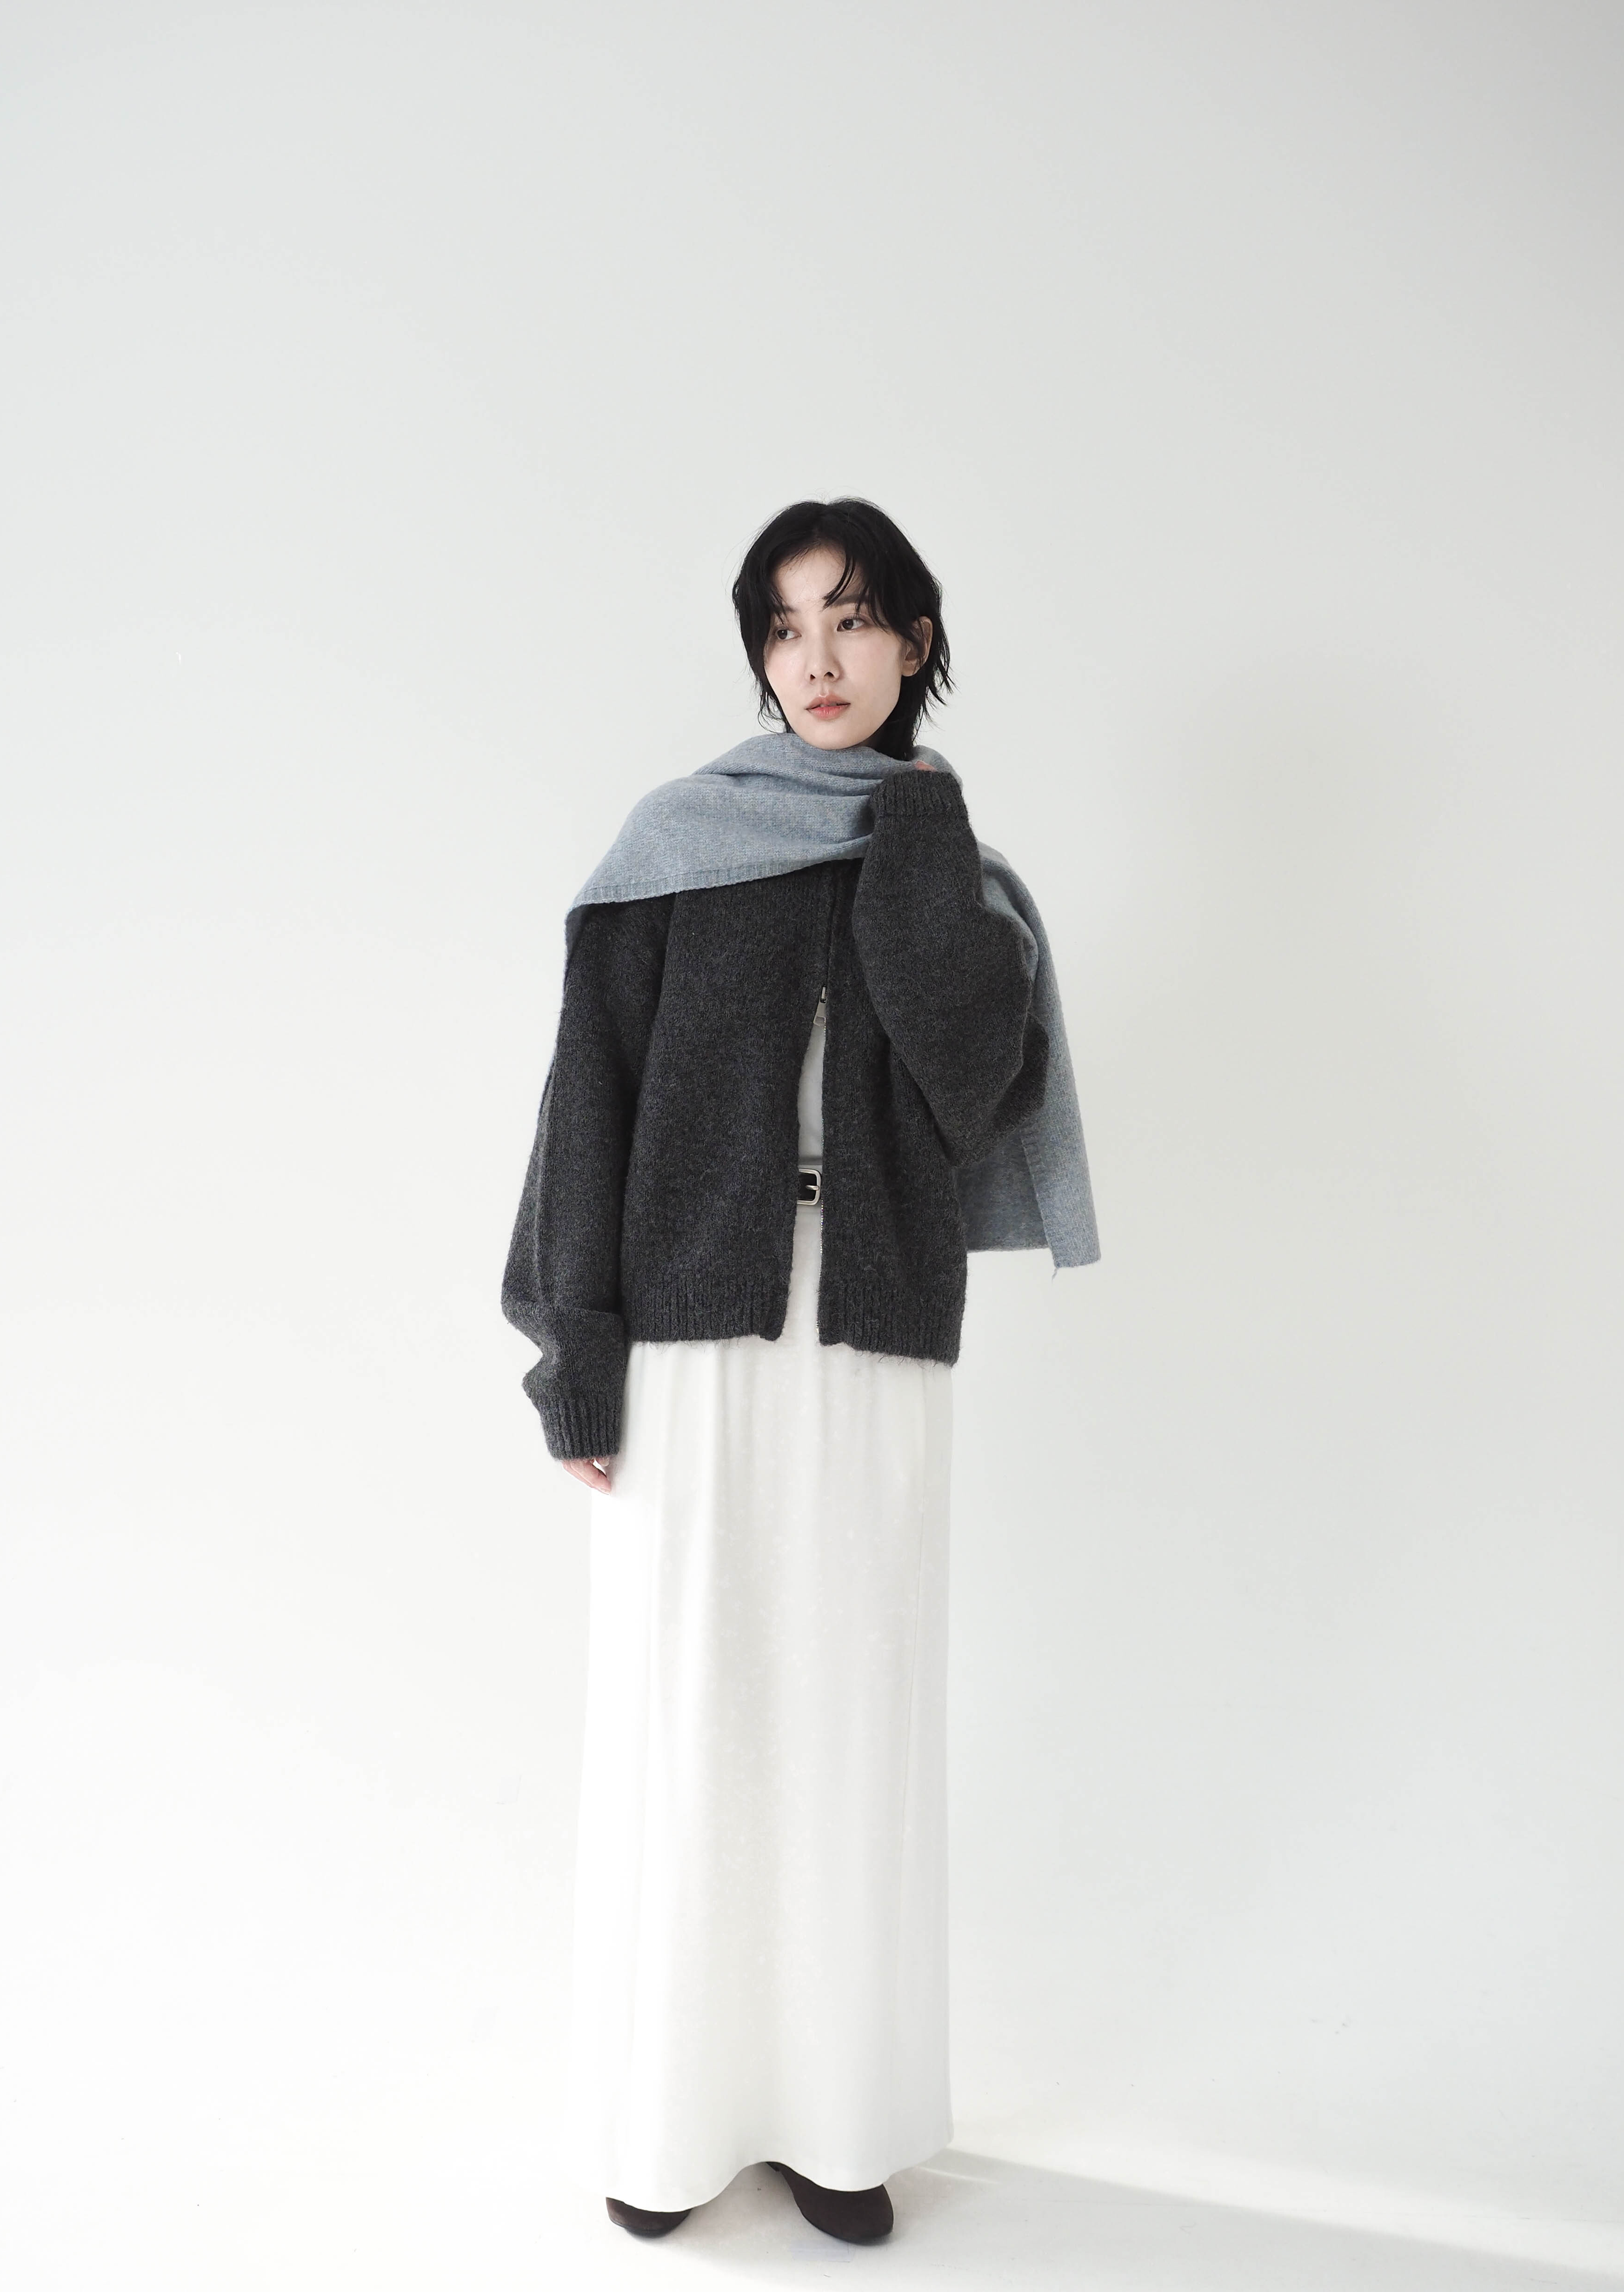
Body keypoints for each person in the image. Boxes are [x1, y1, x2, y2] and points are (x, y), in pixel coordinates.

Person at [502, 498, 1098, 2246]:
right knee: (690, 1721)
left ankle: (839, 2126)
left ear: (917, 638)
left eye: (851, 620)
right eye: (783, 627)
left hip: (875, 1325)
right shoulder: (677, 844)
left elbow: (972, 1077)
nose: (815, 660)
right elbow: (587, 1106)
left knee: (852, 1728)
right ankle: (666, 2127)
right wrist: (574, 1352)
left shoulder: (955, 869)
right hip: (691, 1332)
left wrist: (916, 827)